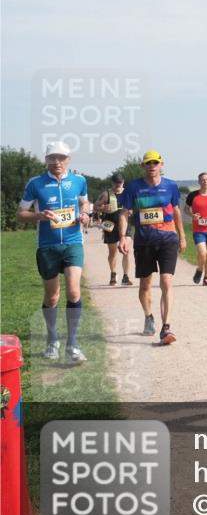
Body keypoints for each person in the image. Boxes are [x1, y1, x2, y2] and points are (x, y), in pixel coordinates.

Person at [17, 141, 91, 362]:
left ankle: (73, 344)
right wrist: (38, 216)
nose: (57, 162)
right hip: (47, 246)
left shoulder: (79, 181)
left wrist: (85, 214)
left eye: (61, 158)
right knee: (52, 296)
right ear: (46, 160)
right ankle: (52, 340)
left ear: (68, 159)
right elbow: (21, 213)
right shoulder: (35, 183)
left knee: (74, 292)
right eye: (52, 158)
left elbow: (85, 204)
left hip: (73, 242)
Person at [118, 150, 187, 345]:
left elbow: (175, 211)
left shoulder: (171, 186)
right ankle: (149, 316)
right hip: (144, 241)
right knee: (145, 285)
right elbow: (125, 213)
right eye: (148, 163)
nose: (152, 166)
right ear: (143, 166)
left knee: (166, 281)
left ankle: (166, 328)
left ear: (161, 165)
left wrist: (182, 236)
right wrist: (123, 236)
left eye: (155, 163)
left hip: (168, 239)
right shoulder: (133, 188)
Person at [95, 173, 132, 286]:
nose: (118, 185)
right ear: (112, 183)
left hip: (126, 225)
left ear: (123, 182)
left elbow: (135, 206)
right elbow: (95, 206)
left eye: (120, 183)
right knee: (113, 252)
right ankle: (113, 274)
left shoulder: (128, 193)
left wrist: (132, 211)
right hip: (110, 225)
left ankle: (125, 276)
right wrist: (103, 208)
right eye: (116, 183)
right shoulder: (106, 194)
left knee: (126, 250)